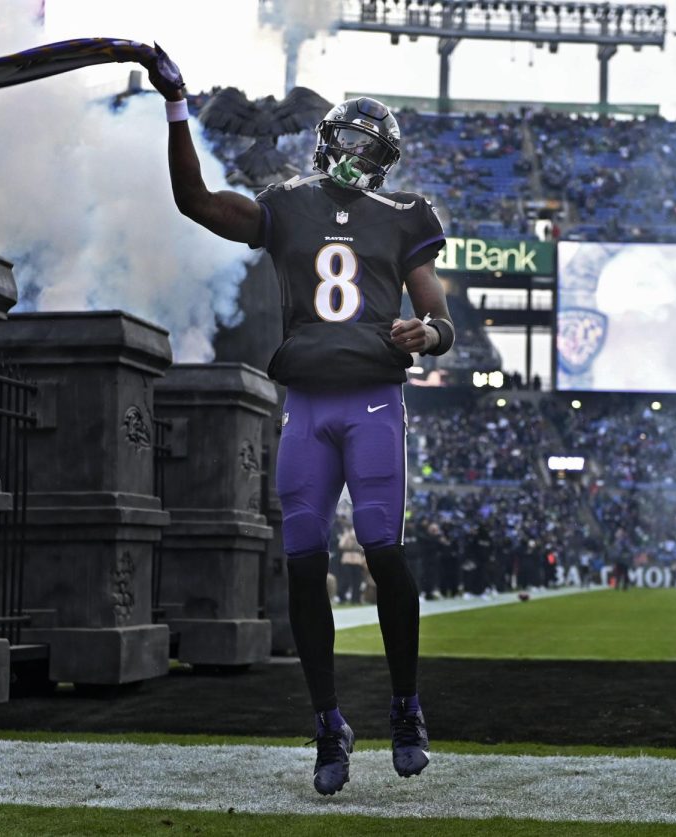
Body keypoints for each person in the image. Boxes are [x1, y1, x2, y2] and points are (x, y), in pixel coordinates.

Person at [144, 53, 453, 796]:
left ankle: (406, 709)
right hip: (308, 405)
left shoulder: (408, 214)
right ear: (325, 140)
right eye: (347, 141)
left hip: (374, 399)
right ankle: (327, 722)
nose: (354, 156)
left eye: (368, 149)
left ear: (382, 163)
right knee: (304, 560)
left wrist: (428, 334)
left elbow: (437, 312)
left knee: (383, 549)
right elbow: (194, 200)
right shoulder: (285, 203)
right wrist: (177, 104)